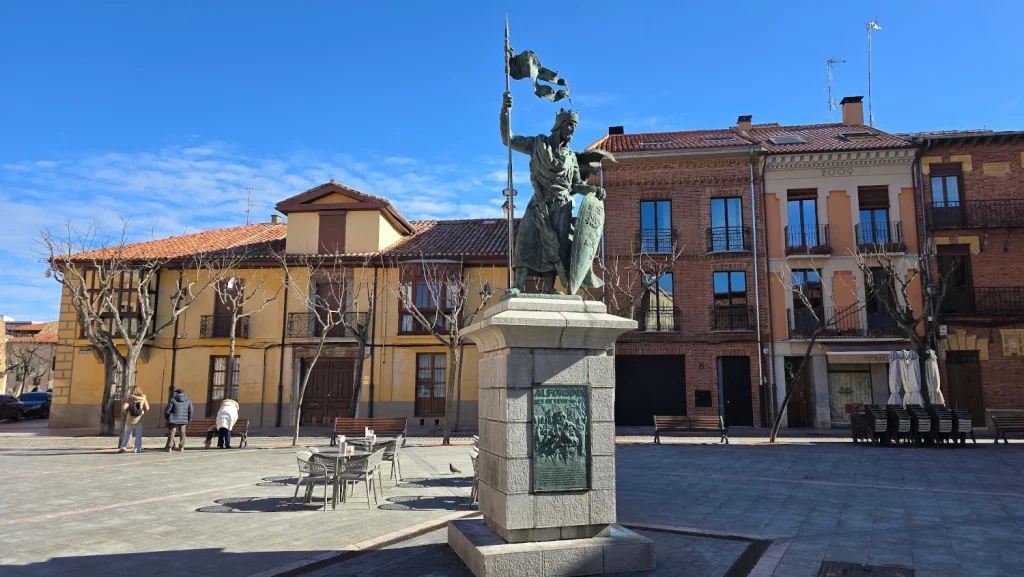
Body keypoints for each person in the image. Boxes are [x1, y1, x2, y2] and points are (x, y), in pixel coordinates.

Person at [119, 386, 149, 454]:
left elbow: (124, 407)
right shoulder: (143, 398)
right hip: (139, 419)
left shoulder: (130, 398)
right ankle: (137, 449)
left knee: (127, 433)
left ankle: (123, 447)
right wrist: (142, 411)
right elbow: (147, 407)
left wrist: (128, 412)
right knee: (138, 434)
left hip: (130, 418)